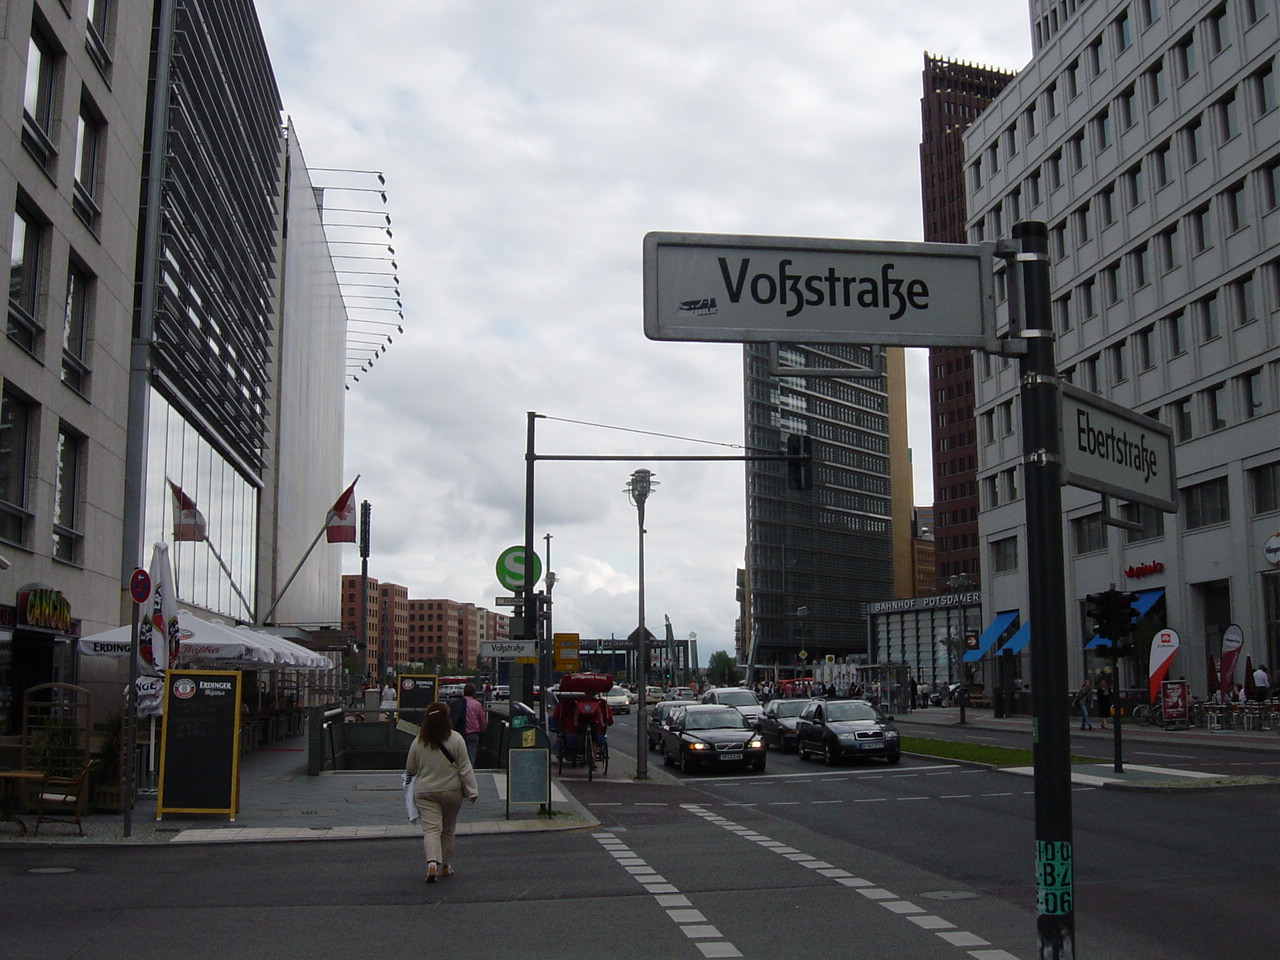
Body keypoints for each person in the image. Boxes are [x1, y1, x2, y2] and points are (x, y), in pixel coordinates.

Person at [405, 701, 479, 883]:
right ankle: (445, 865)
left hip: (425, 791)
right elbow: (465, 767)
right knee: (448, 830)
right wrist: (473, 790)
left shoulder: (418, 741)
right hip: (451, 791)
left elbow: (410, 768)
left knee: (431, 830)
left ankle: (431, 863)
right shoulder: (456, 739)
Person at [448, 684, 488, 766]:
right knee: (471, 754)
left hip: (459, 733)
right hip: (473, 734)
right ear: (474, 693)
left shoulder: (457, 703)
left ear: (464, 692)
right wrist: (482, 731)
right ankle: (469, 770)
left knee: (459, 755)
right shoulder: (477, 704)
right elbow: (482, 721)